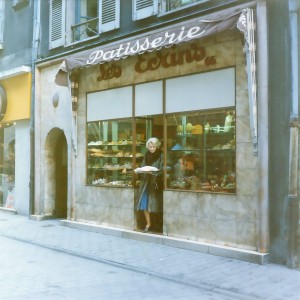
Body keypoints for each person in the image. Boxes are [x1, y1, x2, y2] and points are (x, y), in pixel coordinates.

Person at [136, 137, 163, 233]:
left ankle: (155, 224)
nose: (151, 148)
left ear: (157, 146)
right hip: (145, 183)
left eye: (153, 146)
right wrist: (140, 170)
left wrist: (154, 173)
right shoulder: (146, 155)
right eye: (150, 146)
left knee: (154, 204)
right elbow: (143, 166)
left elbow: (162, 169)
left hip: (155, 183)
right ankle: (148, 223)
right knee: (144, 204)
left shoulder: (160, 155)